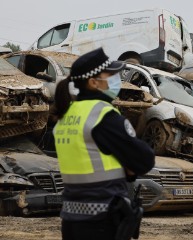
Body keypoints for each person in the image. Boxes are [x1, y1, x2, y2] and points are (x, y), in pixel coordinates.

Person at [52, 47, 155, 240]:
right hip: (102, 219)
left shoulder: (66, 116)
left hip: (71, 219)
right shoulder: (102, 115)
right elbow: (144, 160)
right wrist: (129, 168)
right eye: (111, 75)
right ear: (93, 82)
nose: (117, 80)